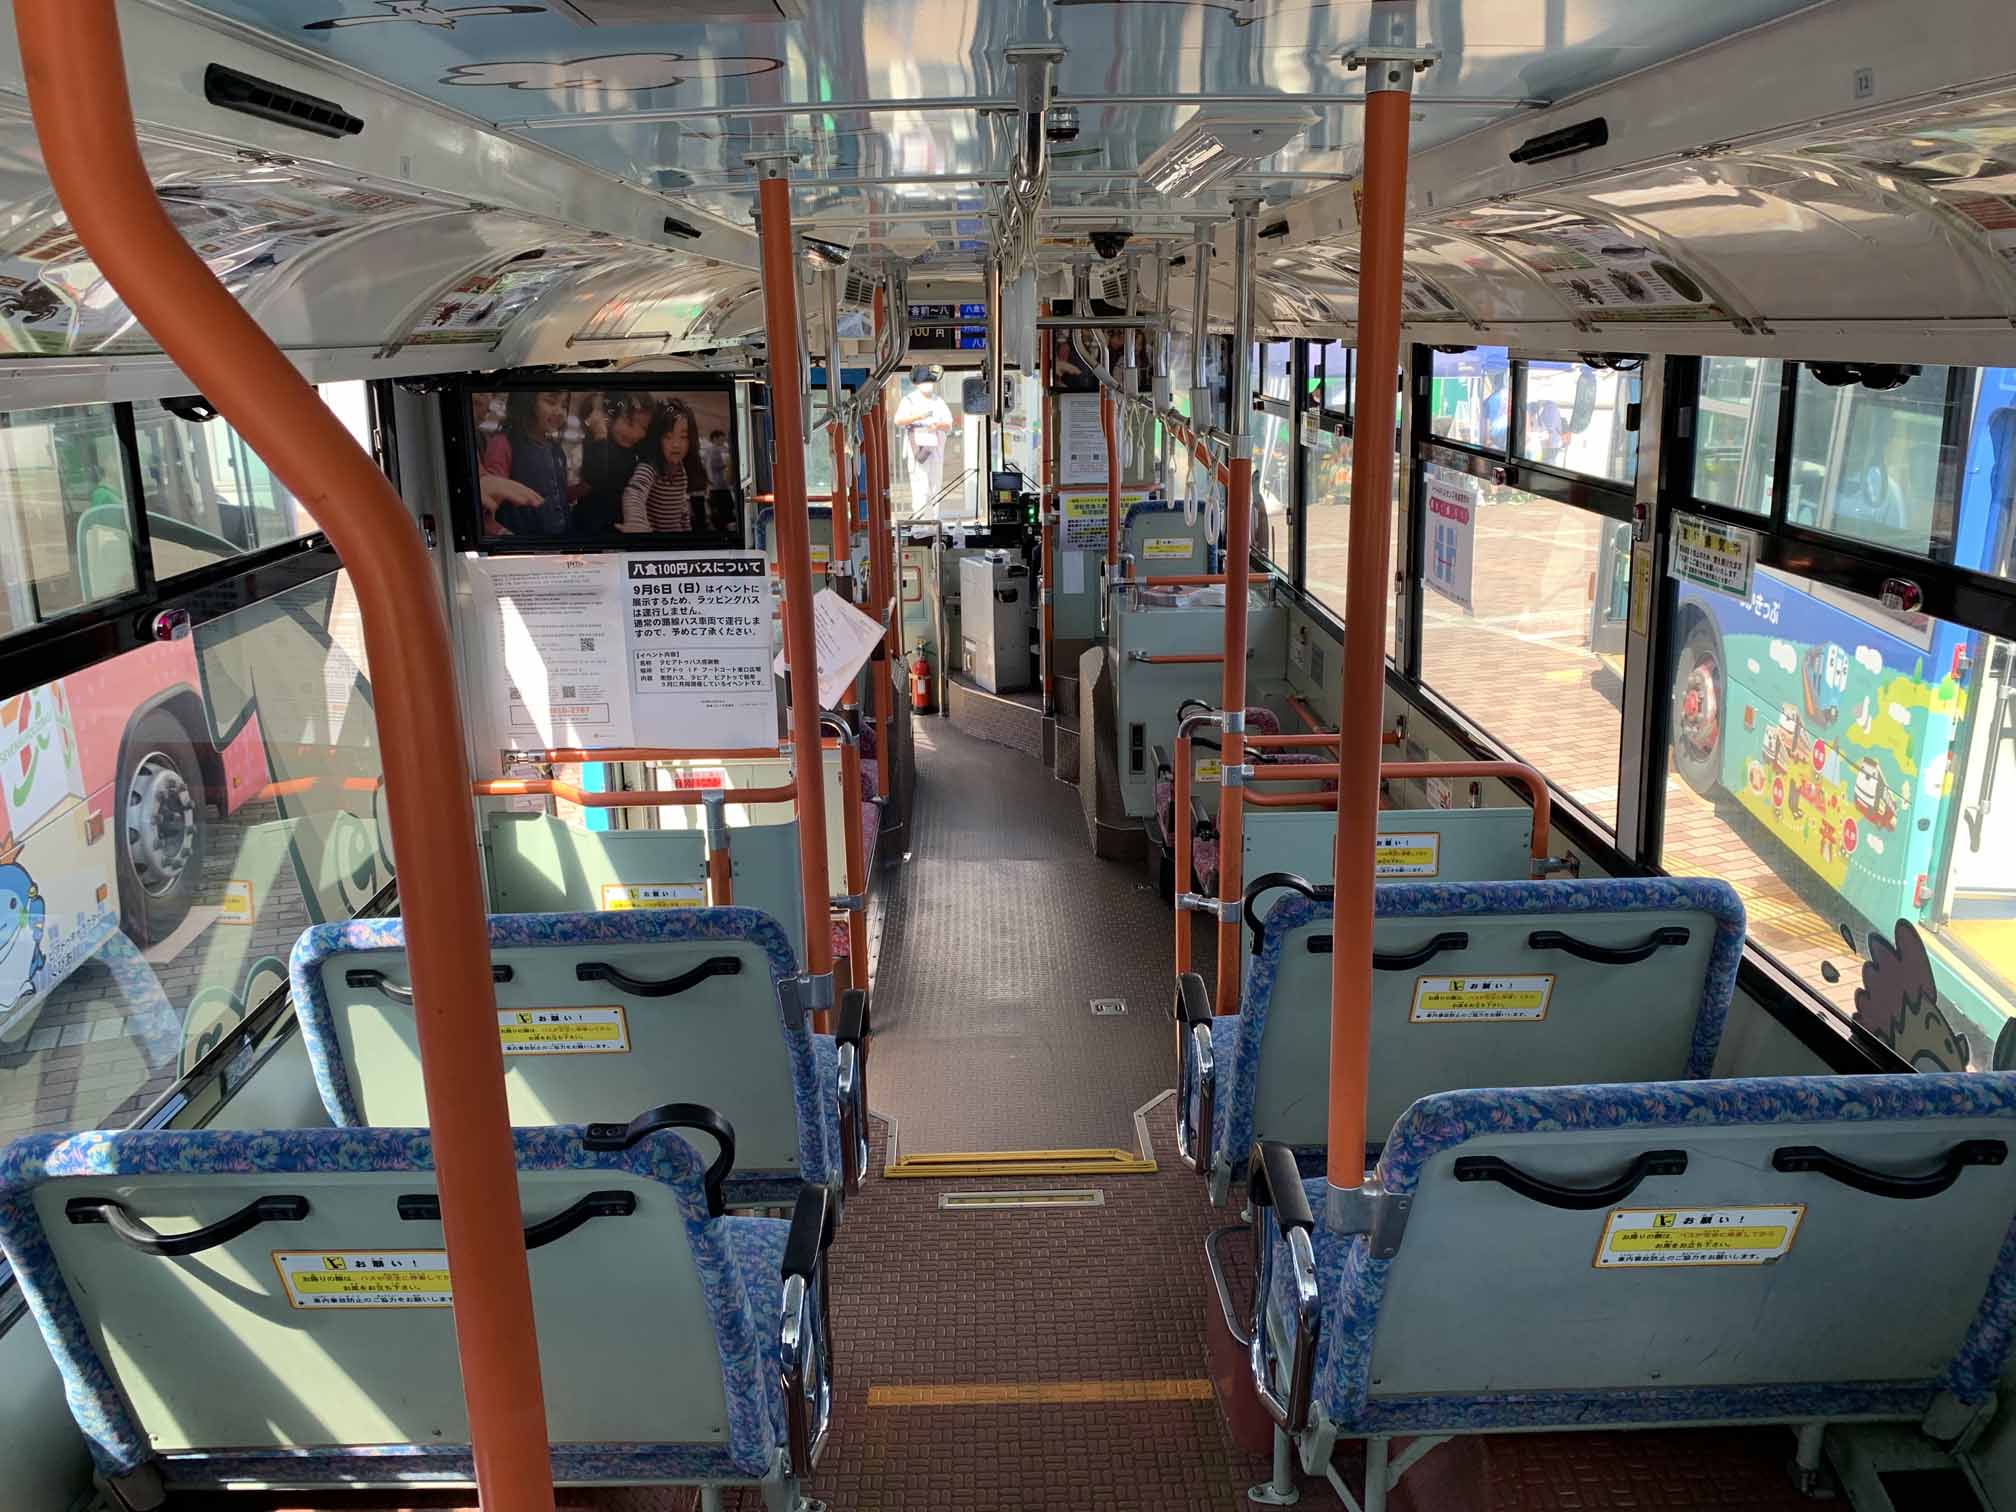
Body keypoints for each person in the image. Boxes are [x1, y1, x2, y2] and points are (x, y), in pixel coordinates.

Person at [480, 390, 575, 536]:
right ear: (526, 402)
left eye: (564, 406)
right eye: (551, 402)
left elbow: (560, 494)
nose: (561, 412)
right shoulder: (503, 443)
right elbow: (489, 501)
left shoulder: (556, 449)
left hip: (561, 540)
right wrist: (502, 534)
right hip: (525, 541)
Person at [619, 399, 710, 534]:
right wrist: (636, 523)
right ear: (657, 439)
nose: (676, 445)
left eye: (683, 437)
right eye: (668, 437)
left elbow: (682, 511)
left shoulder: (681, 472)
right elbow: (635, 492)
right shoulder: (650, 468)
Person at [577, 394, 650, 535]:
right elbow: (594, 476)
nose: (634, 433)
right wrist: (600, 433)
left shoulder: (636, 450)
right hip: (593, 527)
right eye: (628, 423)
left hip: (622, 525)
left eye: (644, 428)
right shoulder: (598, 442)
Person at [892, 366, 954, 515]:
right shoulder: (909, 400)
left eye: (929, 382)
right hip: (917, 451)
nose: (928, 385)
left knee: (935, 488)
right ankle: (920, 523)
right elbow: (898, 420)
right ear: (917, 384)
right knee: (920, 489)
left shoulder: (938, 401)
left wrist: (937, 426)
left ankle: (934, 521)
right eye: (925, 382)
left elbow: (948, 424)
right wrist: (918, 417)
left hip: (935, 451)